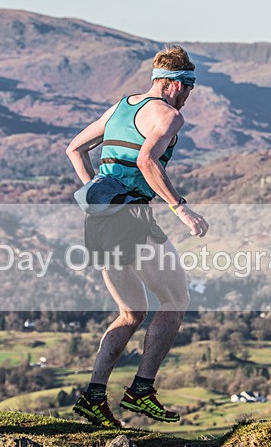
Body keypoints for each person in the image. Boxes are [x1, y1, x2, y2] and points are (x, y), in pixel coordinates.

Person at [66, 46, 209, 427]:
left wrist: (97, 190)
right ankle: (141, 391)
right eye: (188, 88)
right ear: (171, 83)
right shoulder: (169, 116)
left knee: (131, 313)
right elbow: (147, 161)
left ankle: (94, 397)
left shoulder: (120, 107)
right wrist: (182, 208)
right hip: (131, 217)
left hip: (99, 221)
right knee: (176, 298)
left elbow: (74, 149)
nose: (189, 96)